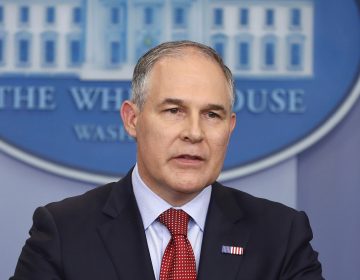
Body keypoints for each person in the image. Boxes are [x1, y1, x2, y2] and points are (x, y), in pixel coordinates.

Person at [10, 41, 323, 280]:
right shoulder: (63, 231)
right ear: (132, 119)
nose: (194, 133)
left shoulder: (281, 235)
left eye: (212, 115)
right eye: (174, 111)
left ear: (229, 129)